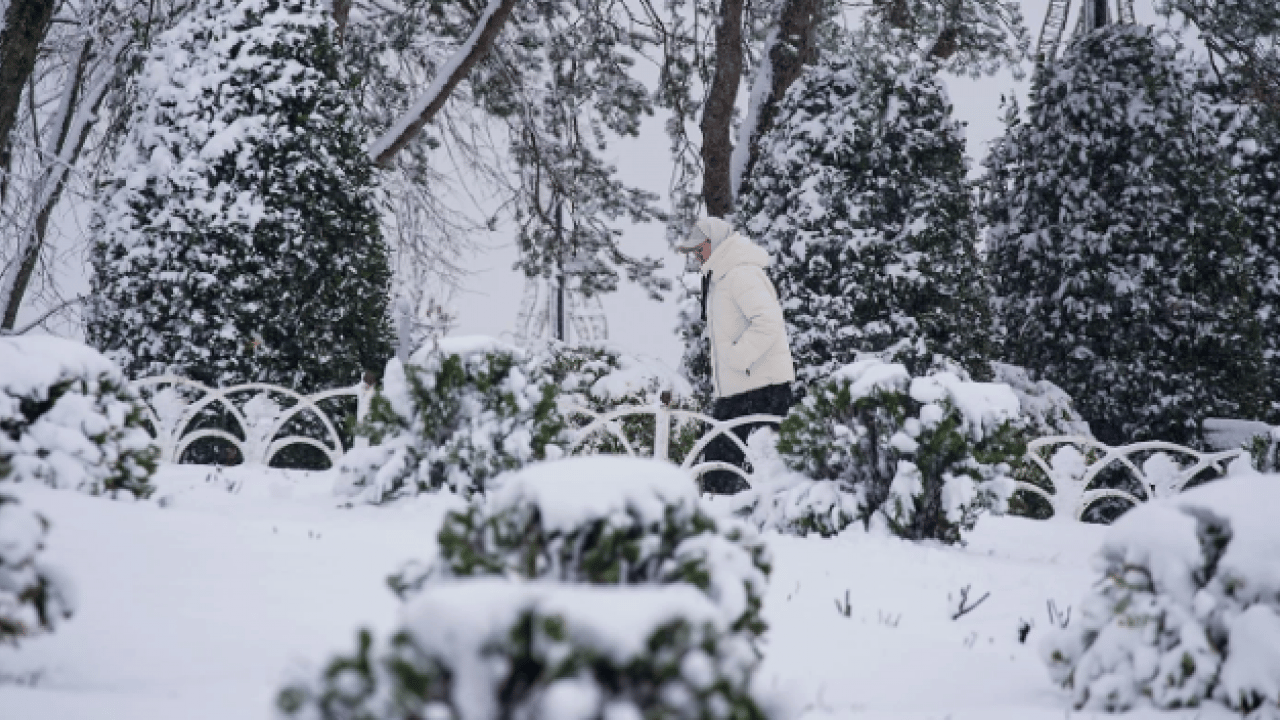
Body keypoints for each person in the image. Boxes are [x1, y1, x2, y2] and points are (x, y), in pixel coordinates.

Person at [675, 217, 796, 493]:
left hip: (760, 387)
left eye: (699, 248)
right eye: (693, 250)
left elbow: (768, 321)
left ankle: (736, 510)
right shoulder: (722, 276)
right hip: (743, 386)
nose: (696, 255)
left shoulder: (740, 274)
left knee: (749, 465)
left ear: (715, 243)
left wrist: (737, 359)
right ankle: (726, 509)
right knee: (726, 464)